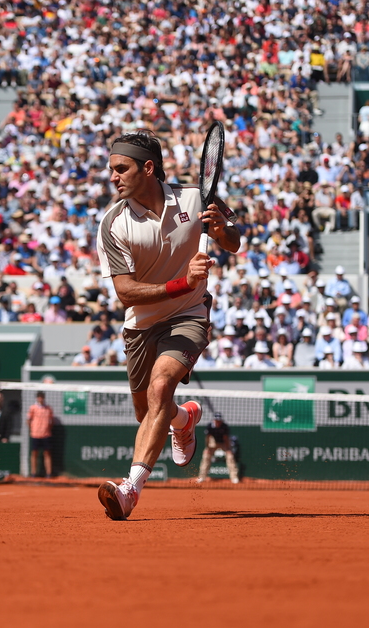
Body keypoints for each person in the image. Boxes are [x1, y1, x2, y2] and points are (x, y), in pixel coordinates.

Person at [95, 132, 241, 520]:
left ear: (148, 168)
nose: (113, 176)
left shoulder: (197, 198)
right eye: (111, 169)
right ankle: (183, 418)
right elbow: (125, 293)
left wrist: (220, 229)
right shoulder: (112, 224)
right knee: (148, 412)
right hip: (140, 325)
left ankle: (130, 489)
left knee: (161, 386)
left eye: (120, 168)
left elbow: (234, 240)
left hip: (189, 315)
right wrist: (183, 282)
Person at [196, 412, 240, 484]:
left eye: (219, 421)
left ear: (221, 421)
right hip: (213, 442)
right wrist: (207, 448)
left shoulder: (224, 426)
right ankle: (201, 477)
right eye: (216, 420)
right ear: (214, 420)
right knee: (206, 457)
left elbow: (226, 438)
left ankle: (234, 478)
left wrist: (228, 449)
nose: (218, 422)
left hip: (223, 443)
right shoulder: (210, 426)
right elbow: (208, 438)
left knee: (230, 457)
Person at [27, 391, 54, 478]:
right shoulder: (32, 408)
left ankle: (49, 473)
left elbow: (52, 421)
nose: (40, 398)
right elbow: (28, 420)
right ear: (37, 398)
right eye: (39, 397)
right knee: (34, 453)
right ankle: (33, 473)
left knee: (47, 453)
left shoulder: (49, 408)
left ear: (43, 398)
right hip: (35, 434)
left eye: (41, 397)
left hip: (46, 434)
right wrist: (33, 429)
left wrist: (47, 429)